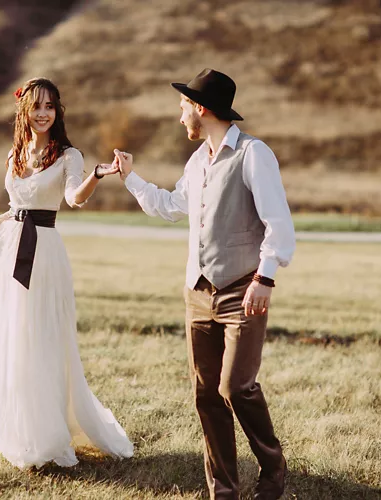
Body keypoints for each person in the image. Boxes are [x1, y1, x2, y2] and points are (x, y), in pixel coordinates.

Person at [113, 68, 296, 499]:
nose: (180, 118)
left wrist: (265, 277)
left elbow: (279, 224)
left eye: (183, 108)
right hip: (197, 294)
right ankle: (225, 491)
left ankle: (273, 466)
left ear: (201, 109)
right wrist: (130, 178)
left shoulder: (254, 154)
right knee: (206, 395)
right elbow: (171, 206)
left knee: (236, 387)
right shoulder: (198, 161)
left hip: (242, 289)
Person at [0, 77, 133, 468]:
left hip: (44, 256)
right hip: (10, 251)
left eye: (49, 106)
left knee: (44, 341)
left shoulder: (68, 156)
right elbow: (12, 213)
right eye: (36, 107)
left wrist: (96, 175)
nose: (43, 113)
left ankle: (51, 436)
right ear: (24, 112)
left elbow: (73, 198)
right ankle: (26, 431)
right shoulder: (14, 156)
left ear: (57, 111)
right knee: (17, 340)